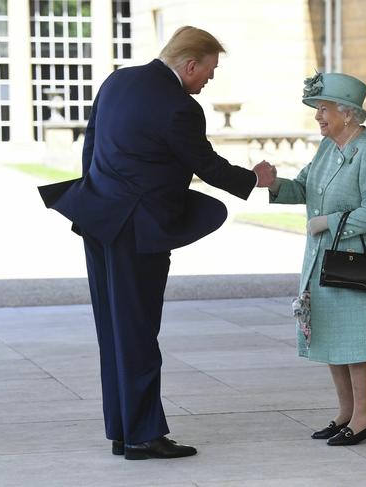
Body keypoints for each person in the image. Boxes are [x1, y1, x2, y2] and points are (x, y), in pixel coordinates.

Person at [38, 26, 276, 460]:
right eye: (209, 71)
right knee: (139, 332)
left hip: (98, 218)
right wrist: (254, 179)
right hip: (138, 231)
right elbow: (204, 164)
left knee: (112, 330)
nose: (209, 80)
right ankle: (143, 435)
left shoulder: (118, 80)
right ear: (190, 65)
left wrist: (98, 197)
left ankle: (123, 429)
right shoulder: (178, 107)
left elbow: (90, 150)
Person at [267, 73, 366, 446]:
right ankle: (346, 413)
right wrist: (275, 184)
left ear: (348, 113)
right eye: (318, 110)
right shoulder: (327, 148)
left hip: (358, 260)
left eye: (323, 110)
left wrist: (329, 222)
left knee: (356, 341)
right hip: (324, 258)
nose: (318, 117)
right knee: (331, 336)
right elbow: (304, 187)